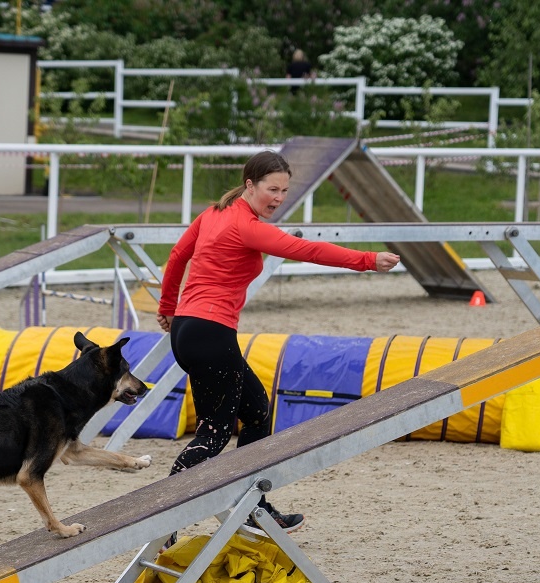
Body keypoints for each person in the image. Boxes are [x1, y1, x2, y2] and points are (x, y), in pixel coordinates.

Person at [157, 150, 400, 535]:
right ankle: (162, 516)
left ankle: (254, 507)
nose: (278, 198)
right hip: (211, 334)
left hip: (188, 330)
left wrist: (169, 306)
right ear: (249, 184)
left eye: (285, 191)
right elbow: (308, 250)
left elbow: (177, 256)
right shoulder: (245, 225)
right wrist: (368, 259)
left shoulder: (212, 214)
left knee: (256, 412)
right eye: (272, 189)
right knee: (215, 433)